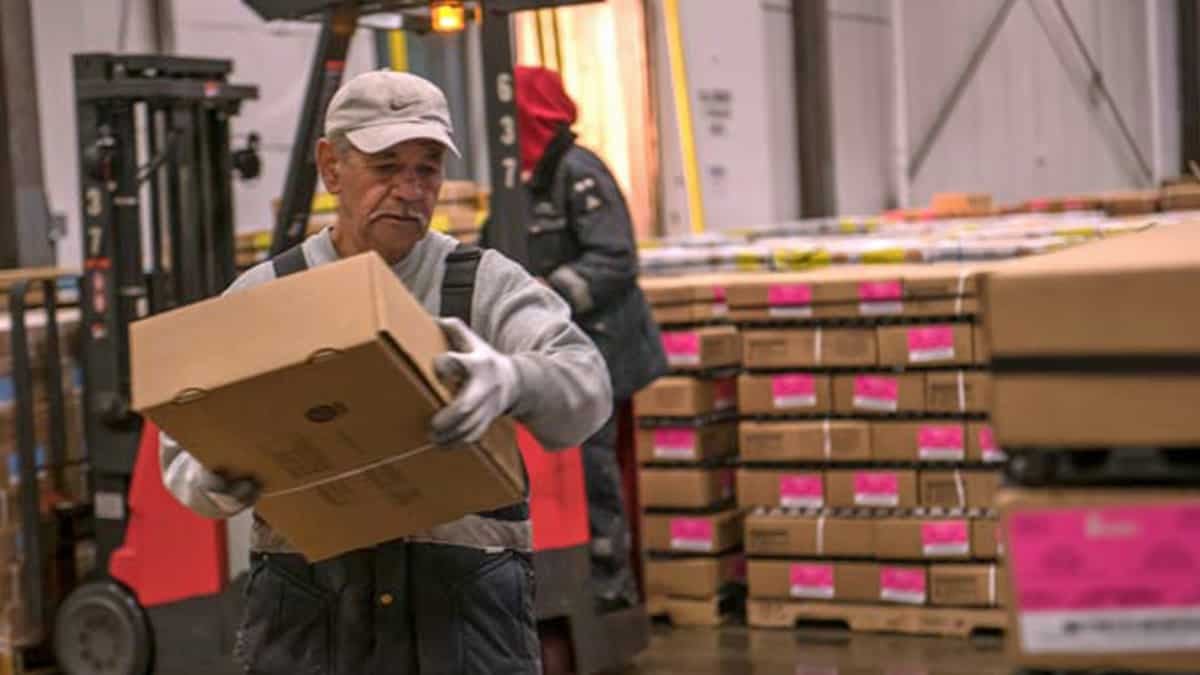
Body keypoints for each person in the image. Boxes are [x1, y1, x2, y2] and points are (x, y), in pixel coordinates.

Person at [159, 70, 613, 675]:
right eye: (385, 165)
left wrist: (511, 379)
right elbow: (184, 448)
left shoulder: (483, 285)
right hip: (312, 620)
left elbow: (588, 387)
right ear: (330, 167)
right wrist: (216, 474)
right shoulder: (267, 296)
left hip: (462, 618)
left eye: (426, 168)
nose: (409, 189)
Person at [481, 66, 668, 612]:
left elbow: (615, 259)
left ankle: (609, 590)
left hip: (601, 352)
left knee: (593, 469)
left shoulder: (578, 173)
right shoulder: (516, 180)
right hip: (543, 357)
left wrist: (547, 293)